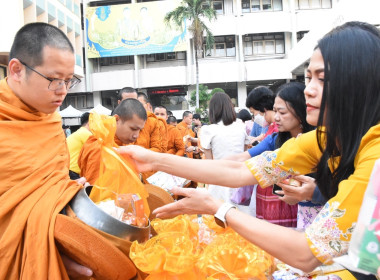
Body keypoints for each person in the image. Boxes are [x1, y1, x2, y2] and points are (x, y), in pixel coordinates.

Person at [116, 22, 380, 278]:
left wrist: (217, 208)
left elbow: (306, 254)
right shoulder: (327, 137)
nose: (308, 90)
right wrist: (154, 160)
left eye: (322, 79)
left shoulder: (376, 152)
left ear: (359, 84)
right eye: (308, 77)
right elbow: (240, 169)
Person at [0, 22, 95, 279]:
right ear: (17, 70)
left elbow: (52, 184)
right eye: (53, 80)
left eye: (68, 81)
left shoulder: (50, 120)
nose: (63, 91)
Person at [229, 82, 317, 227]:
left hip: (313, 214)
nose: (276, 118)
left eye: (282, 113)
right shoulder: (275, 138)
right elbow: (243, 158)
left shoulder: (318, 141)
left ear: (301, 112)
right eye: (274, 111)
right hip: (287, 209)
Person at [199, 92, 250, 211]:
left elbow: (209, 162)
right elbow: (245, 154)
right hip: (241, 179)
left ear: (212, 110)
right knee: (242, 217)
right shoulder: (240, 127)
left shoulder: (208, 130)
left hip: (219, 179)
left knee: (221, 218)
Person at [78, 98, 146, 186]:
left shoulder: (124, 144)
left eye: (139, 130)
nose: (136, 135)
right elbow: (94, 190)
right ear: (117, 119)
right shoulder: (99, 147)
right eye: (133, 129)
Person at [67, 112, 92, 180]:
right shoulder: (86, 133)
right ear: (89, 122)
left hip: (69, 169)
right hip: (75, 171)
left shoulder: (77, 133)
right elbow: (98, 149)